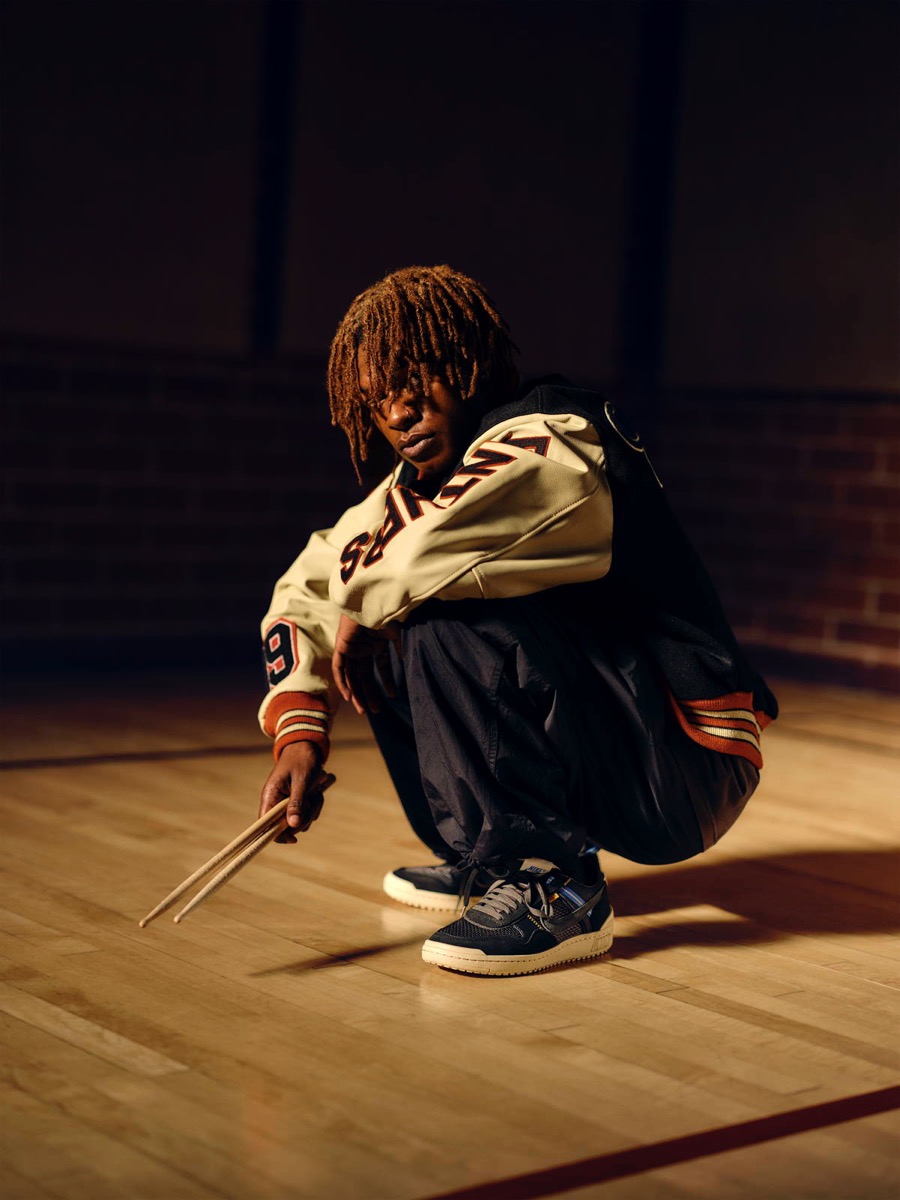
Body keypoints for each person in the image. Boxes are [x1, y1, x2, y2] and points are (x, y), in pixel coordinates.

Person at [256, 264, 777, 978]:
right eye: (376, 400)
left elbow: (415, 563)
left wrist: (364, 608)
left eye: (414, 379)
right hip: (621, 744)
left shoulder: (554, 435)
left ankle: (554, 882)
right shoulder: (422, 482)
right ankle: (492, 859)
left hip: (685, 760)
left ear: (468, 360)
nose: (399, 412)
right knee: (393, 627)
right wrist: (299, 733)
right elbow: (305, 584)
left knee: (434, 613)